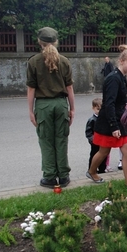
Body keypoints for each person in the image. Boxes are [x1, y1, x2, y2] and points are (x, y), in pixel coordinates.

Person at [26, 27, 75, 189]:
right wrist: (72, 109)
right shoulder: (64, 61)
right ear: (56, 42)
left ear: (40, 42)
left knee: (46, 141)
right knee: (61, 139)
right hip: (61, 104)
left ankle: (49, 176)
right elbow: (69, 88)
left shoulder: (33, 62)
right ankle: (63, 176)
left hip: (43, 105)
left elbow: (31, 89)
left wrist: (31, 111)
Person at [86, 44, 127, 188]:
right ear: (121, 61)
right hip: (109, 120)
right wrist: (114, 126)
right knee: (104, 151)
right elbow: (109, 104)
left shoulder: (123, 77)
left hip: (121, 118)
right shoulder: (113, 78)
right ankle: (91, 171)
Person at [85, 98, 108, 173]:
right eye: (98, 109)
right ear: (93, 108)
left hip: (103, 141)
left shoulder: (104, 119)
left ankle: (102, 169)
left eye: (101, 109)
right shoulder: (92, 120)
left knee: (104, 155)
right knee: (93, 155)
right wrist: (92, 139)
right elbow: (88, 132)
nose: (99, 111)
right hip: (94, 142)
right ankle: (91, 169)